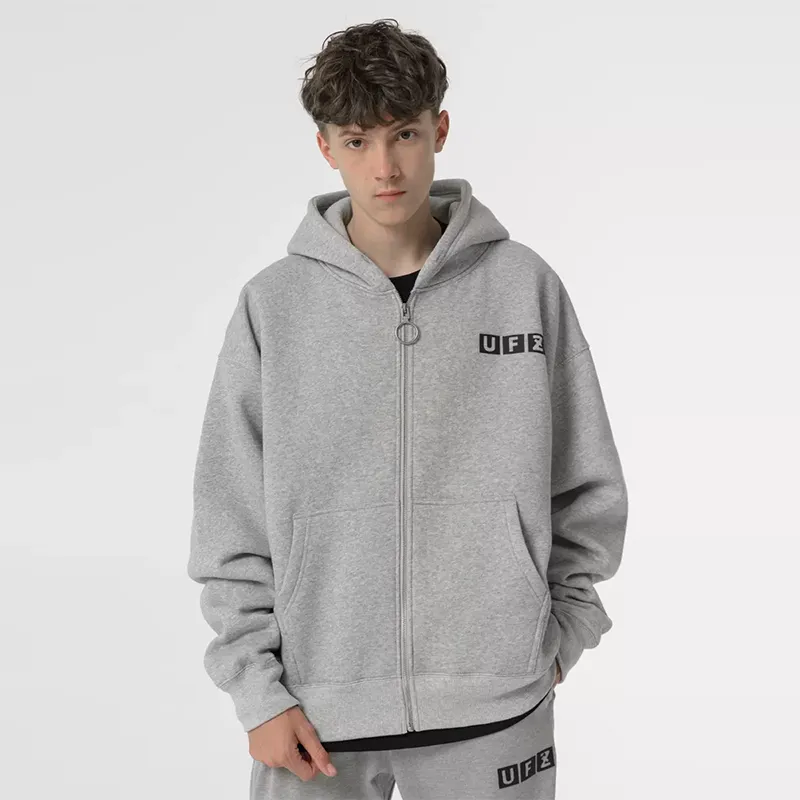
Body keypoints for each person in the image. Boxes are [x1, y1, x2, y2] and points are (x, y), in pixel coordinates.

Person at [187, 18, 628, 800]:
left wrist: (560, 634)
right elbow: (231, 523)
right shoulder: (274, 308)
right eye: (358, 141)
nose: (385, 167)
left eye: (405, 135)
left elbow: (586, 485)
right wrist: (257, 692)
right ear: (326, 147)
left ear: (440, 131)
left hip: (499, 709)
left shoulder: (523, 288)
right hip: (313, 719)